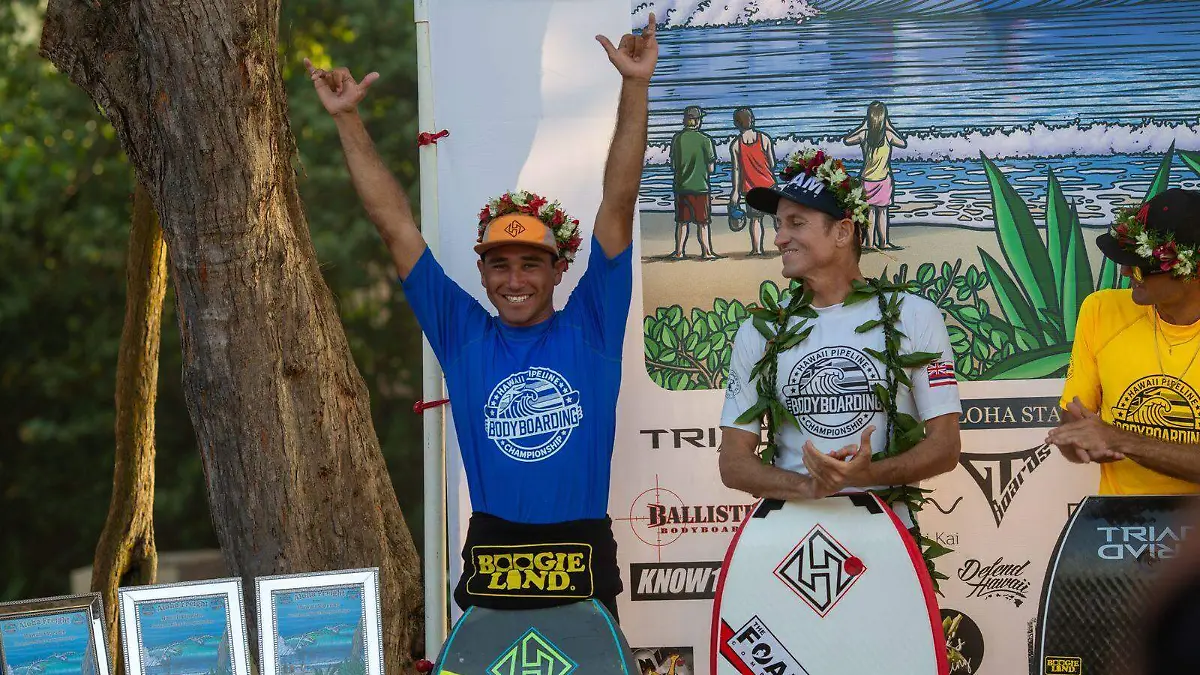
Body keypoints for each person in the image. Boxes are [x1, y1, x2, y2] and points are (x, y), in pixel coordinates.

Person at [303, 15, 658, 621]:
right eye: (499, 266)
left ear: (559, 271)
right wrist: (347, 119)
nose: (514, 281)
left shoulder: (592, 326)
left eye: (530, 264)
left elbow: (618, 203)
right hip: (494, 552)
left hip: (581, 555)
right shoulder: (463, 334)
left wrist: (635, 85)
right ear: (483, 273)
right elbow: (395, 227)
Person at [718, 148, 961, 512]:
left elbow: (945, 447)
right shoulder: (762, 330)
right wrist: (810, 486)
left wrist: (867, 476)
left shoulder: (914, 316)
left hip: (888, 528)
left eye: (796, 223)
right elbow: (733, 462)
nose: (779, 238)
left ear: (843, 232)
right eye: (778, 225)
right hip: (791, 534)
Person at [1048, 188, 1200, 495]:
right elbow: (1074, 426)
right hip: (1121, 521)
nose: (1126, 271)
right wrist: (1078, 438)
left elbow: (1111, 437)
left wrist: (1121, 440)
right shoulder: (1101, 310)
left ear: (1192, 271)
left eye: (1142, 265)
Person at [843, 101, 907, 251]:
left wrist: (862, 126)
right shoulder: (888, 135)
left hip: (867, 180)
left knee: (870, 212)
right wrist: (890, 126)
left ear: (869, 117)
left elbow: (846, 140)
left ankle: (870, 243)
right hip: (884, 179)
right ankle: (883, 242)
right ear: (884, 117)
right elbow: (903, 143)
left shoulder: (864, 134)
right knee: (882, 212)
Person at [669, 105, 718, 260]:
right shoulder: (705, 140)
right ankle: (706, 252)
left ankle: (679, 251)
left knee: (682, 222)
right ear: (697, 121)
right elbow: (711, 168)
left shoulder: (677, 139)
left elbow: (673, 165)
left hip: (681, 187)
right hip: (700, 187)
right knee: (703, 223)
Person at [728, 107, 777, 256]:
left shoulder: (736, 145)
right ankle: (787, 245)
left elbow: (736, 170)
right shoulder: (764, 138)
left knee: (755, 220)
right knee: (778, 217)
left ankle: (757, 250)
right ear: (752, 120)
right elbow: (772, 163)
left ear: (736, 123)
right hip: (769, 185)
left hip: (751, 190)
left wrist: (735, 191)